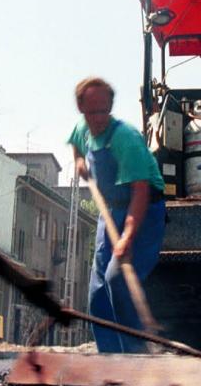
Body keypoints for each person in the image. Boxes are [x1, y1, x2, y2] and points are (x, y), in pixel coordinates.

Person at [68, 76, 167, 353]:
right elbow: (76, 142)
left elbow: (141, 192)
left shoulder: (126, 138)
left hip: (144, 212)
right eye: (91, 112)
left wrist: (126, 238)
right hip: (110, 210)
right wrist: (78, 160)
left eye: (103, 111)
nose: (98, 118)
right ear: (81, 109)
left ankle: (136, 356)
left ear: (110, 108)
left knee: (118, 279)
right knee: (97, 294)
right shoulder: (82, 127)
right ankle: (110, 359)